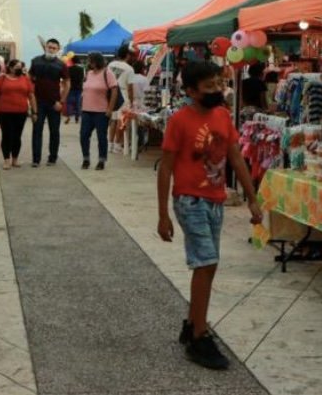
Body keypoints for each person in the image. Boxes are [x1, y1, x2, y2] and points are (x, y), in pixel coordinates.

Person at [157, 60, 261, 370]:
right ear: (191, 91)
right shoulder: (179, 121)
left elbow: (235, 158)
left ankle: (192, 324)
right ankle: (199, 336)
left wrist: (252, 198)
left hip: (216, 199)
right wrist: (163, 214)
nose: (217, 90)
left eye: (218, 84)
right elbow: (165, 167)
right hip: (189, 200)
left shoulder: (223, 115)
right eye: (209, 86)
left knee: (208, 265)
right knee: (207, 262)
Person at [28, 38, 70, 167]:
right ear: (45, 47)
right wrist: (31, 100)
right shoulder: (35, 61)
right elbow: (30, 79)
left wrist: (61, 101)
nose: (51, 49)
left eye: (54, 48)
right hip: (38, 102)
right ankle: (36, 159)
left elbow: (67, 83)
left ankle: (52, 158)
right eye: (49, 47)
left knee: (54, 131)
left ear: (58, 50)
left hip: (54, 103)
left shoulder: (61, 64)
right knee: (37, 131)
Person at [0, 59, 35, 169]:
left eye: (21, 67)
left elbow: (31, 95)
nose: (19, 69)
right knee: (7, 135)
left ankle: (15, 159)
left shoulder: (25, 79)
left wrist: (34, 111)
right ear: (10, 68)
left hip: (21, 112)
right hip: (5, 111)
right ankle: (6, 159)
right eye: (17, 67)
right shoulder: (2, 79)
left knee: (17, 136)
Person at [79, 52, 119, 170]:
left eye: (90, 61)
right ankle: (86, 158)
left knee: (101, 136)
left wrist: (110, 109)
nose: (88, 63)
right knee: (83, 135)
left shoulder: (107, 73)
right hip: (86, 110)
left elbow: (114, 91)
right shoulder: (89, 74)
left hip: (101, 111)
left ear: (96, 61)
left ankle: (101, 160)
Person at [107, 45, 136, 153]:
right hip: (123, 95)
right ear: (127, 55)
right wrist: (132, 102)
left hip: (112, 94)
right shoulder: (129, 69)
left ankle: (110, 144)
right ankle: (117, 144)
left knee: (113, 120)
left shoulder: (111, 64)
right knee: (122, 120)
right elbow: (130, 88)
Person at [65, 59, 84, 124]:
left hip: (70, 88)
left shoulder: (69, 69)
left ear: (72, 62)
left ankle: (69, 116)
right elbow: (82, 78)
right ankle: (77, 117)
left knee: (69, 103)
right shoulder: (81, 69)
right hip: (79, 88)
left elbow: (67, 78)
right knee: (78, 103)